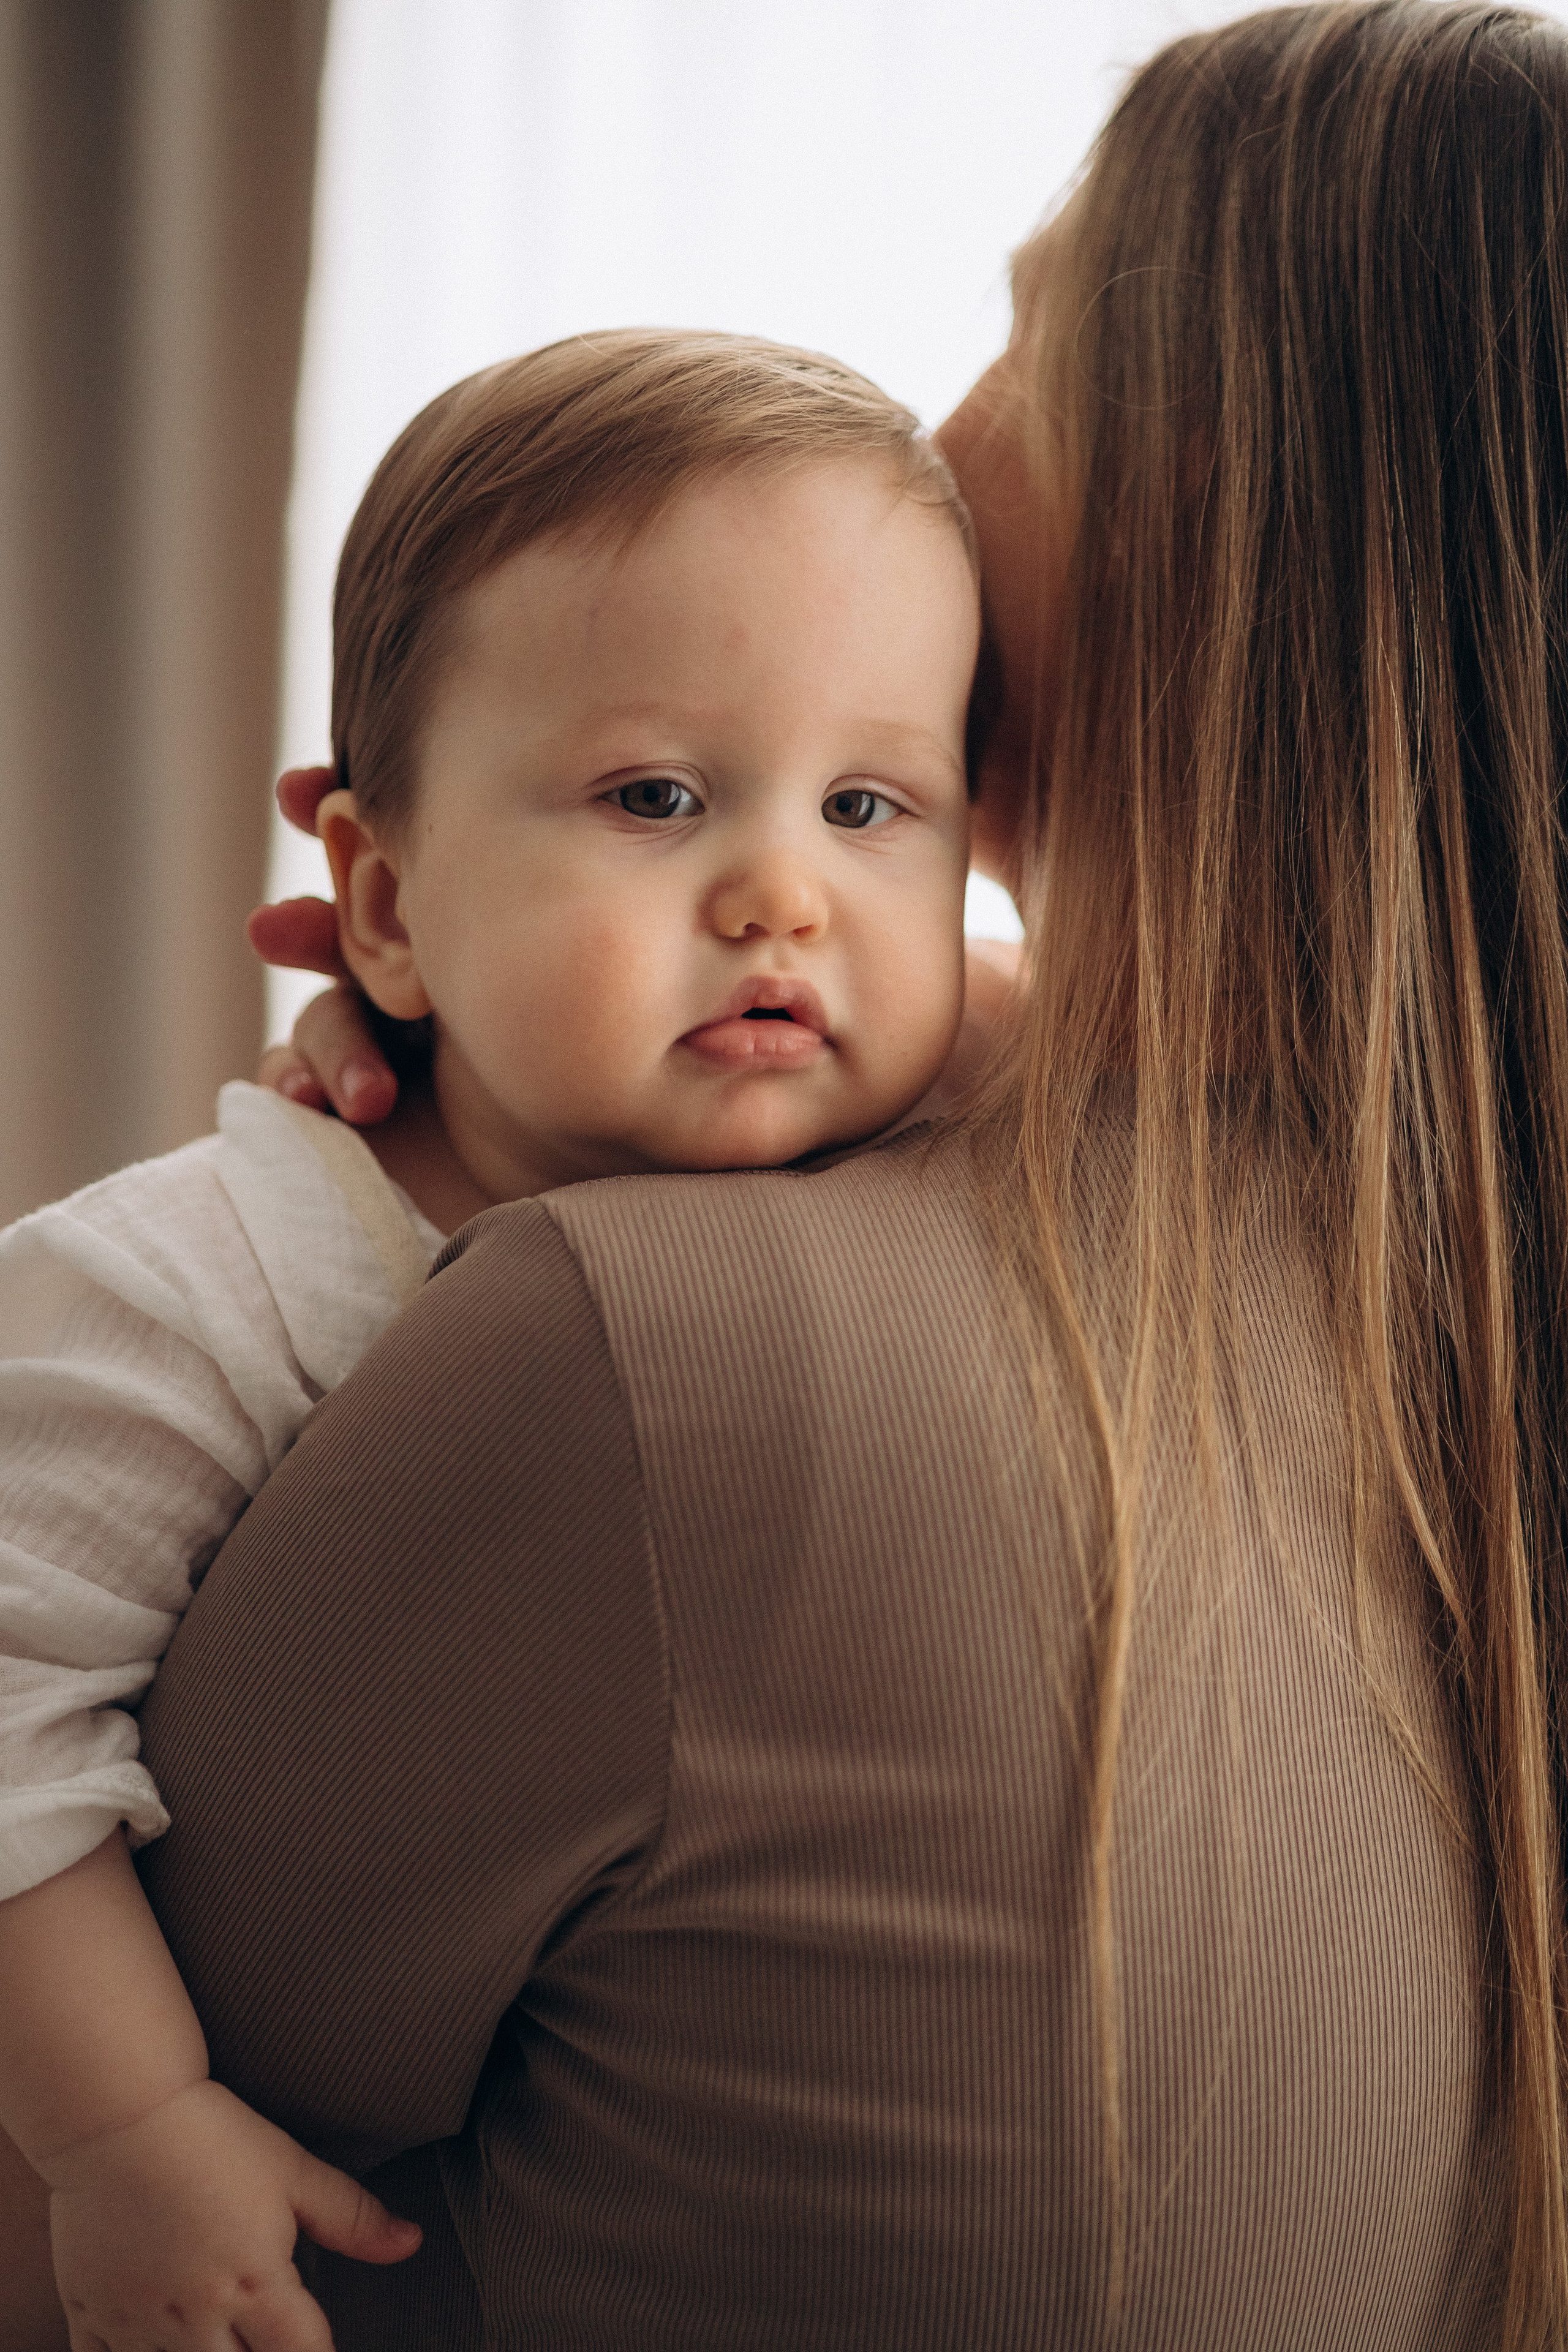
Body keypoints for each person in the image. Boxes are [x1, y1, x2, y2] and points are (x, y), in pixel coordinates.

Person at [122, 2, 1568, 2344]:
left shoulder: (654, 1351)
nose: (945, 419)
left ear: (1213, 499)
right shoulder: (1452, 1337)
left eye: (1027, 329)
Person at [0, 331, 1003, 2351]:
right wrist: (123, 2126)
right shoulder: (199, 1281)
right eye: (656, 795)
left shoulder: (934, 1185)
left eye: (872, 802)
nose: (784, 896)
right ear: (378, 904)